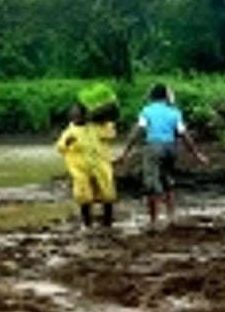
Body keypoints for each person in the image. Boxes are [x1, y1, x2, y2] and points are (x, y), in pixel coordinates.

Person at [115, 84, 208, 225]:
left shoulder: (147, 111)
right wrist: (196, 154)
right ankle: (171, 216)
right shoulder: (175, 112)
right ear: (166, 97)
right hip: (171, 148)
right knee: (167, 182)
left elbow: (137, 132)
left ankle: (154, 220)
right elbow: (184, 135)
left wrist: (125, 152)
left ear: (152, 96)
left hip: (154, 147)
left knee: (151, 185)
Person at [56, 103, 117, 228]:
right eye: (74, 114)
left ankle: (108, 222)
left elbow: (110, 134)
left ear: (85, 115)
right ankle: (87, 224)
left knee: (107, 194)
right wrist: (67, 143)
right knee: (84, 196)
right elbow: (60, 147)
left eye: (78, 114)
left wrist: (107, 121)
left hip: (99, 165)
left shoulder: (94, 127)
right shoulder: (69, 131)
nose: (76, 116)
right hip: (80, 169)